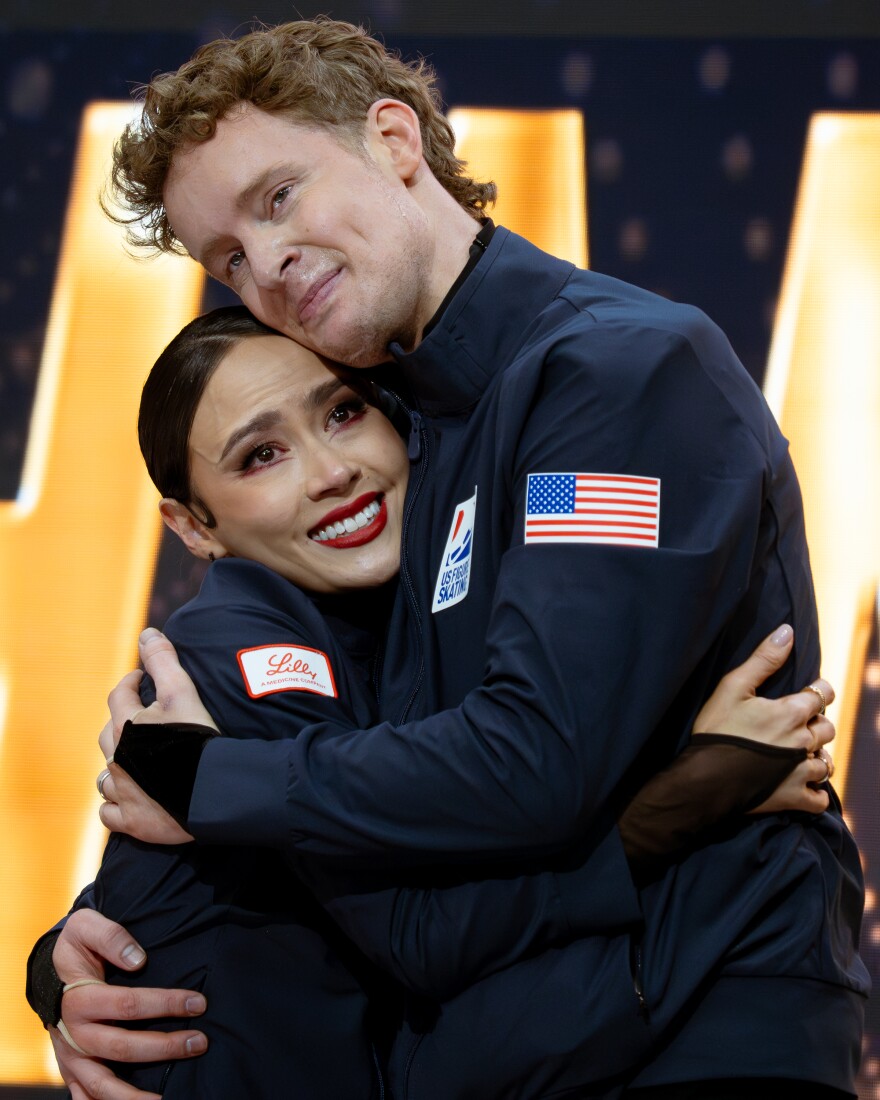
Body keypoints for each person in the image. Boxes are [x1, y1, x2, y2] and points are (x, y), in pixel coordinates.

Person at [34, 17, 868, 1100]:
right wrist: (77, 956)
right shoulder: (405, 442)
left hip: (689, 1041)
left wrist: (204, 775)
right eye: (228, 257)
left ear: (394, 140)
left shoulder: (611, 375)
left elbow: (532, 757)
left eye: (277, 197)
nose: (268, 263)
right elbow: (364, 844)